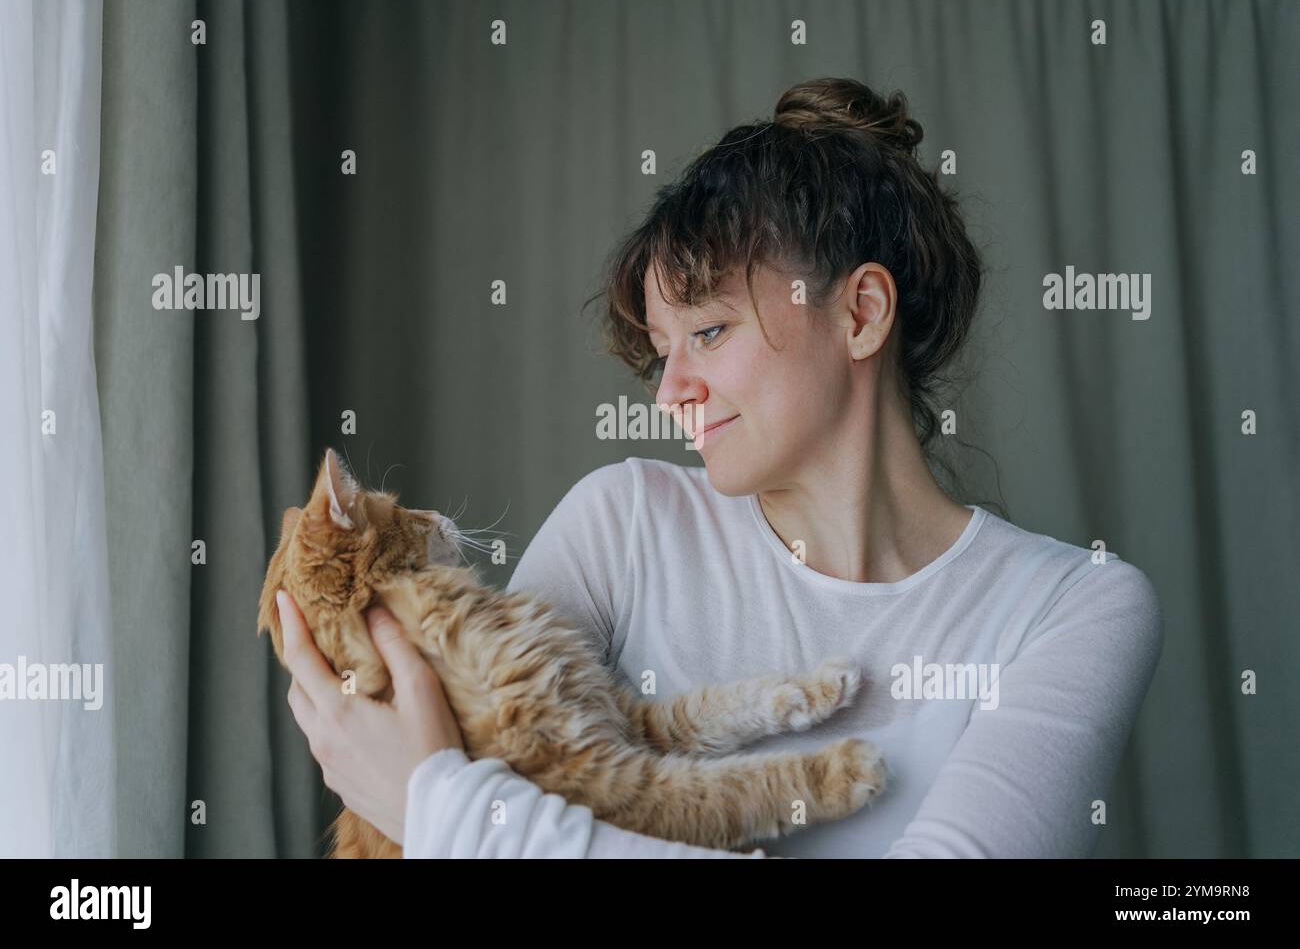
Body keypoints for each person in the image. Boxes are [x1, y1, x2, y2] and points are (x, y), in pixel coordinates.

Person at [278, 77, 1163, 858]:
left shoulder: (1072, 608)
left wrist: (448, 809)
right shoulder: (620, 525)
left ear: (861, 312)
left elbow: (459, 805)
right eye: (662, 351)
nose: (671, 392)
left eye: (708, 332)